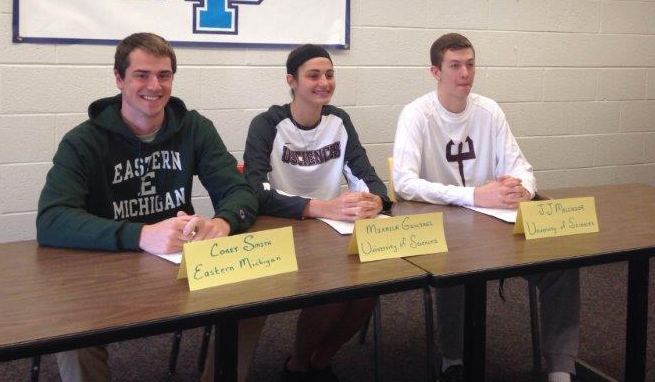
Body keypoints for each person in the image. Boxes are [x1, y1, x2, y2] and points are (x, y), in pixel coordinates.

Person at [37, 32, 258, 382]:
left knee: (253, 301)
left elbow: (240, 191)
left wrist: (223, 222)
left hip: (178, 262)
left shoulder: (194, 128)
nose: (154, 86)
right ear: (119, 78)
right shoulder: (83, 140)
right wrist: (141, 234)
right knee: (74, 329)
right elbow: (52, 220)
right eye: (142, 75)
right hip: (107, 265)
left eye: (164, 75)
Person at [392, 33, 580, 382]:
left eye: (470, 64)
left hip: (494, 223)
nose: (465, 73)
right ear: (436, 72)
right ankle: (453, 360)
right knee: (454, 266)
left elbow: (520, 165)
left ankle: (561, 369)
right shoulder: (416, 114)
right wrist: (475, 196)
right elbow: (404, 182)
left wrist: (522, 188)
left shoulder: (489, 110)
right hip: (445, 225)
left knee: (562, 265)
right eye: (455, 66)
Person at [244, 44, 392, 381]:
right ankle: (297, 364)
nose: (323, 81)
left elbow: (365, 175)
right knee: (333, 291)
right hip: (283, 227)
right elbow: (256, 191)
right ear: (291, 81)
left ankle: (322, 360)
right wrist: (318, 206)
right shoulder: (267, 124)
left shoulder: (339, 121)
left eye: (329, 74)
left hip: (331, 229)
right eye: (313, 75)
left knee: (370, 288)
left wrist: (376, 200)